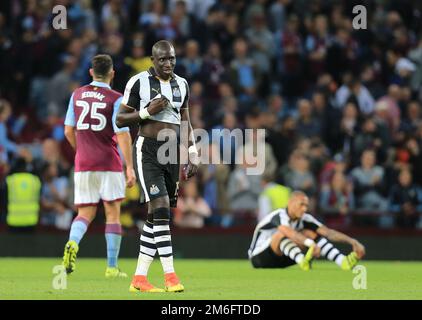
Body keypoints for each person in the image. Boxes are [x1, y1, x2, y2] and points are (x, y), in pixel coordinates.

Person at [116, 40, 198, 293]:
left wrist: (192, 152)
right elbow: (119, 118)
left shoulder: (182, 84)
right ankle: (170, 276)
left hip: (171, 153)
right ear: (153, 60)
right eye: (162, 59)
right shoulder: (138, 82)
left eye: (171, 58)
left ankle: (139, 278)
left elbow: (185, 120)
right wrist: (145, 112)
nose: (168, 63)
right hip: (148, 149)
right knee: (161, 207)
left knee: (156, 216)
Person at [62, 54, 136, 278]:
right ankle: (112, 267)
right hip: (108, 162)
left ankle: (73, 243)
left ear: (91, 73)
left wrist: (81, 150)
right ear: (112, 73)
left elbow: (68, 130)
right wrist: (129, 167)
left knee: (84, 213)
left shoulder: (77, 94)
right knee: (112, 214)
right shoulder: (116, 98)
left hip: (83, 163)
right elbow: (123, 134)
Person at [248, 191, 365, 270]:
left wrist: (352, 241)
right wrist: (310, 244)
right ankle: (302, 261)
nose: (304, 209)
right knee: (282, 234)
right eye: (301, 204)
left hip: (284, 259)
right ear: (290, 203)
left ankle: (342, 261)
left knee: (311, 233)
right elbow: (289, 233)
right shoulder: (278, 216)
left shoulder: (305, 218)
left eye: (306, 205)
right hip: (259, 258)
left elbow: (328, 232)